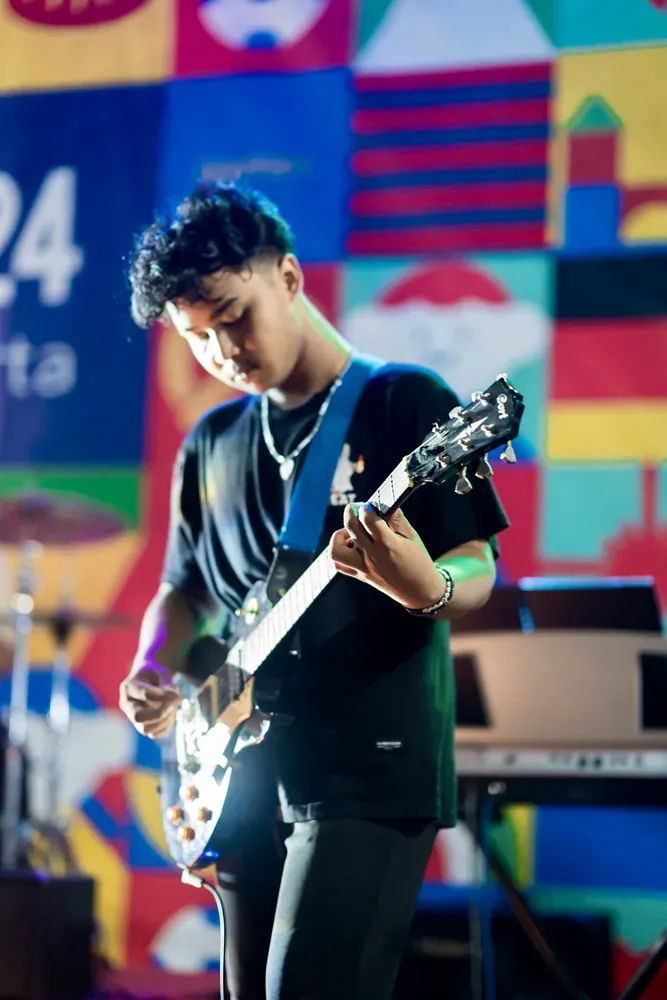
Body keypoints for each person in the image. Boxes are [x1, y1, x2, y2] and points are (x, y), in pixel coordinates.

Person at [119, 182, 511, 1000]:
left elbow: (477, 561)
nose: (221, 350)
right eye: (196, 337)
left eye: (231, 316)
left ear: (290, 278)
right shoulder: (212, 441)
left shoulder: (406, 402)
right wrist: (155, 663)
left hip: (368, 766)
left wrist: (430, 586)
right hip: (238, 768)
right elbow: (181, 588)